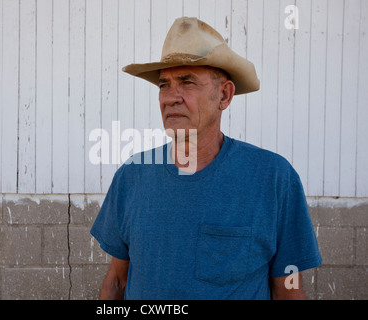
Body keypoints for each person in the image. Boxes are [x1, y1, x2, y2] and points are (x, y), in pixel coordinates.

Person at [90, 17, 321, 300]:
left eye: (187, 82)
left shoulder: (273, 178)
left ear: (224, 95)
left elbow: (287, 290)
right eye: (164, 85)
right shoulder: (132, 176)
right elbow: (116, 281)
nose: (170, 98)